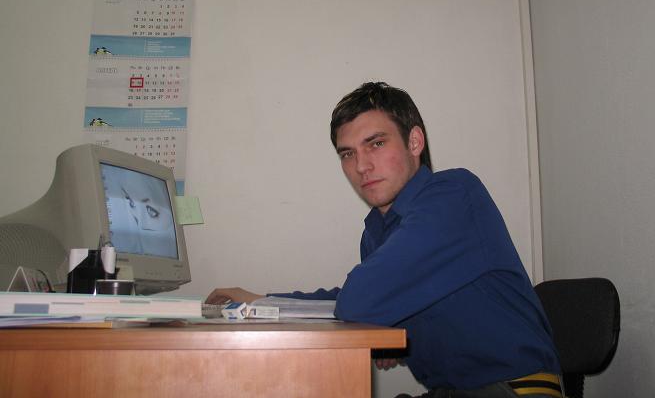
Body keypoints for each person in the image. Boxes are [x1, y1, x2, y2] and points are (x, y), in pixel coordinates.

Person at [207, 82, 561, 398]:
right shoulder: (377, 231)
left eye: (376, 144)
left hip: (514, 388)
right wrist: (262, 302)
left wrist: (377, 315)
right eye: (348, 153)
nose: (361, 166)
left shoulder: (453, 195)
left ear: (414, 142)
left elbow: (358, 301)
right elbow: (352, 301)